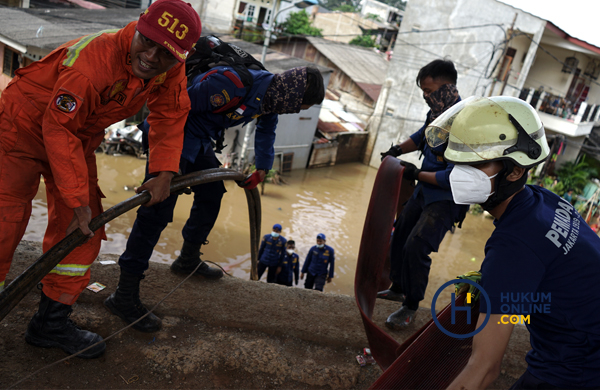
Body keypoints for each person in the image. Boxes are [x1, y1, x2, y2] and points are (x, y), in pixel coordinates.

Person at [0, 0, 201, 358]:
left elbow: (171, 113)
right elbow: (56, 127)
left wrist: (163, 172)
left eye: (166, 53)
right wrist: (76, 199)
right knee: (5, 223)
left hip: (77, 136)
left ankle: (49, 325)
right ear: (138, 26)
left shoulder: (171, 70)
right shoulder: (93, 65)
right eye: (148, 41)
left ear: (181, 57)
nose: (152, 57)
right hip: (22, 127)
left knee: (82, 231)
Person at [105, 63, 324, 332]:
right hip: (171, 135)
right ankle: (124, 295)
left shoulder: (271, 96)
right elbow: (172, 109)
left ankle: (187, 259)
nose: (293, 112)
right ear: (292, 96)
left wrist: (263, 168)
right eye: (297, 107)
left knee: (213, 192)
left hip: (197, 139)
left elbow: (267, 129)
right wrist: (167, 170)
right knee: (157, 208)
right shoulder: (232, 84)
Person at [430, 96, 600, 389]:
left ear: (516, 170)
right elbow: (556, 276)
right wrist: (504, 291)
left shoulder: (513, 248)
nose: (459, 176)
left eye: (476, 165)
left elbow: (484, 369)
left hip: (577, 367)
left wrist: (501, 284)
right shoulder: (546, 201)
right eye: (458, 163)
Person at [377, 59, 469, 328]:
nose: (427, 97)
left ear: (447, 86)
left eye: (430, 91)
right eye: (424, 93)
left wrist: (415, 174)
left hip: (446, 198)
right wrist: (396, 151)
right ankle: (397, 287)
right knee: (401, 230)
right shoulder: (438, 113)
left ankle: (410, 305)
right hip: (423, 190)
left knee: (416, 245)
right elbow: (422, 136)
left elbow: (455, 177)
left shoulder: (465, 123)